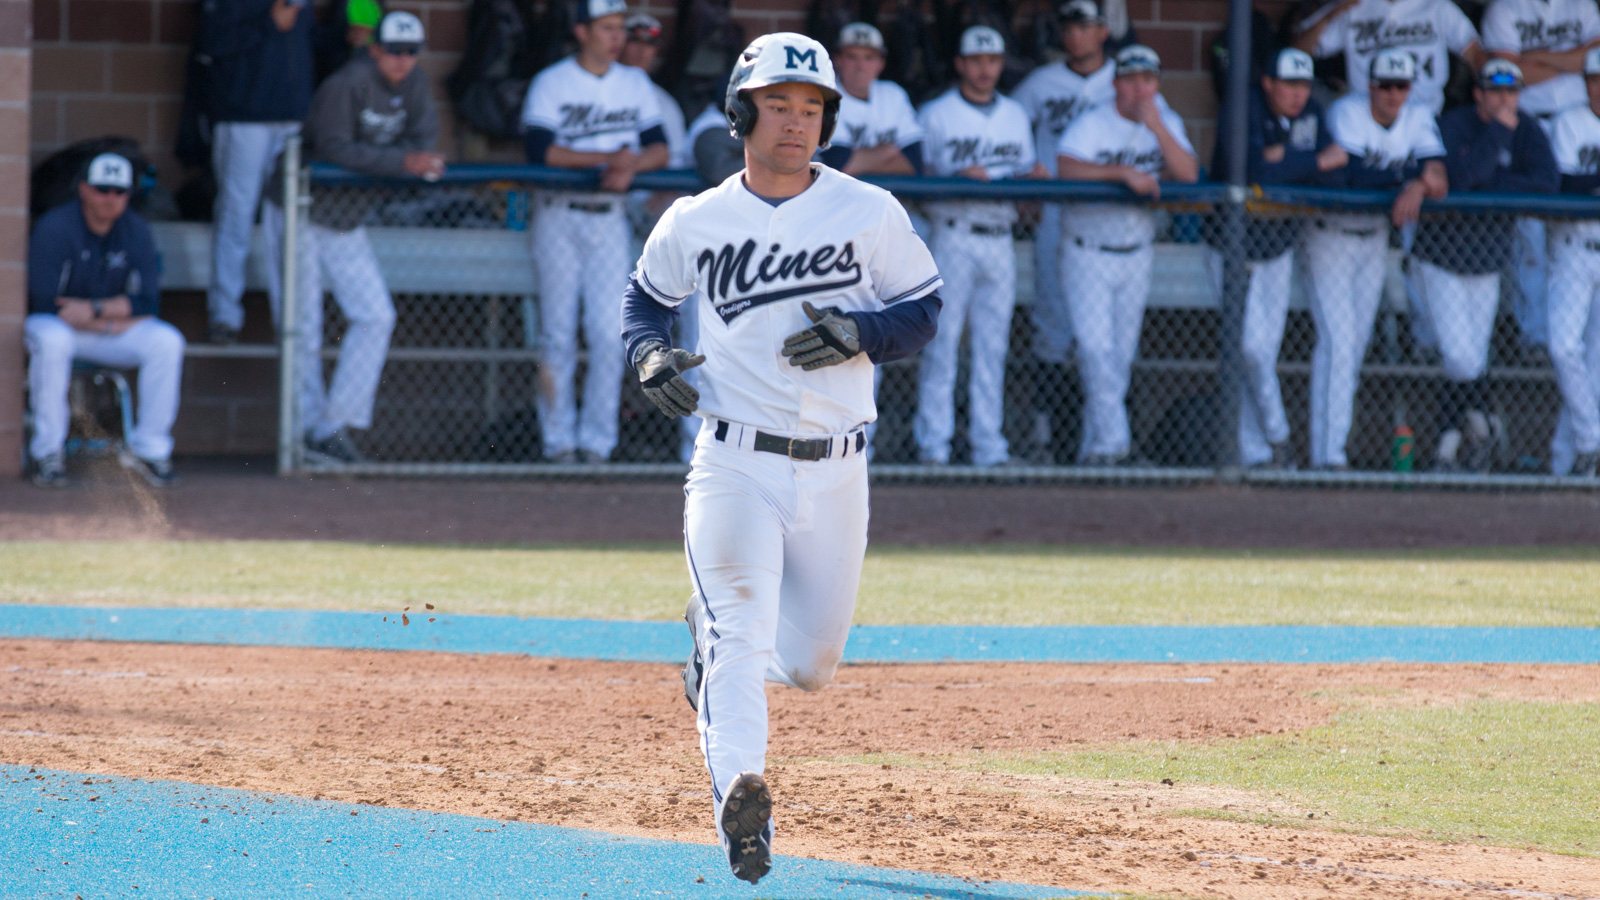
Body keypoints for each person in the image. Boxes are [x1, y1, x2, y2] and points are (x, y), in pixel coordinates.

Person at [620, 33, 942, 885]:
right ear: (741, 114)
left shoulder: (867, 212)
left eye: (811, 108)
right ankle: (743, 798)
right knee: (739, 634)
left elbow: (921, 309)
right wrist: (650, 357)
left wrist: (862, 332)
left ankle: (709, 646)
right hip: (734, 464)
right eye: (778, 105)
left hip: (839, 468)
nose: (796, 121)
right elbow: (645, 304)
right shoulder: (698, 218)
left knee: (811, 664)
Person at [278, 11, 443, 463]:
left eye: (411, 52)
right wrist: (398, 161)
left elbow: (424, 142)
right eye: (393, 50)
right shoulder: (347, 83)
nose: (402, 60)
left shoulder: (415, 85)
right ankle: (301, 433)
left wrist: (399, 159)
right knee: (303, 326)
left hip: (346, 215)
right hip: (298, 209)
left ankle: (331, 427)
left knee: (375, 316)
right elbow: (334, 148)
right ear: (375, 49)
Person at [521, 0, 669, 463]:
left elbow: (659, 149)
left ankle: (597, 444)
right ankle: (558, 442)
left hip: (609, 218)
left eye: (619, 28)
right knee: (557, 336)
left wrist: (630, 167)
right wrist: (609, 161)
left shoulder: (635, 83)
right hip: (558, 216)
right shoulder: (553, 81)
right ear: (582, 31)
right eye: (606, 27)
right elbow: (541, 151)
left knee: (609, 335)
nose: (616, 36)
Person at [1304, 49, 1448, 470]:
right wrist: (1408, 179)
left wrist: (1419, 187)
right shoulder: (1348, 112)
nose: (1392, 94)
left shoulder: (1417, 116)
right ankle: (1327, 456)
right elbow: (1348, 176)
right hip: (1330, 237)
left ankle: (1331, 450)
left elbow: (1438, 176)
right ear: (1370, 85)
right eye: (1384, 85)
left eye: (1400, 86)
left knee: (1354, 345)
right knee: (1338, 344)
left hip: (1373, 242)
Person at [1056, 44, 1199, 466]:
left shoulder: (1164, 120)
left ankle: (1095, 450)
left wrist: (1156, 126)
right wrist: (1120, 173)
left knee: (1119, 357)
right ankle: (1116, 445)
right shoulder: (1094, 122)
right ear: (1116, 83)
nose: (1140, 89)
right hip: (1088, 252)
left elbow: (1189, 173)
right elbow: (1066, 166)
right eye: (1132, 80)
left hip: (1137, 252)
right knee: (1095, 350)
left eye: (1148, 81)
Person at [1412, 59, 1556, 472]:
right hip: (1440, 257)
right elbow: (1460, 177)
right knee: (1460, 356)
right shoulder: (1454, 124)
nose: (1504, 99)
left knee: (1470, 357)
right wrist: (1497, 133)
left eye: (1511, 92)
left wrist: (1493, 184)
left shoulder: (1527, 129)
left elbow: (1547, 182)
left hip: (1488, 260)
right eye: (1495, 91)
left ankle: (1450, 444)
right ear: (1478, 93)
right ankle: (1483, 424)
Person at [914, 25, 1047, 467]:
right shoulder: (936, 114)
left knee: (993, 348)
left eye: (992, 61)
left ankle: (988, 446)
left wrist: (1036, 186)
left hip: (1001, 238)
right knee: (943, 343)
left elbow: (1028, 195)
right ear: (960, 65)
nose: (985, 68)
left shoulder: (1014, 115)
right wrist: (955, 181)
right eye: (976, 60)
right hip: (953, 232)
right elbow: (916, 187)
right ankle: (934, 445)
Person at [1210, 47, 1347, 470]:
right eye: (1288, 85)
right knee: (1250, 349)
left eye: (1303, 85)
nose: (1297, 94)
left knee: (1261, 355)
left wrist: (1286, 161)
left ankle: (1258, 455)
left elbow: (1339, 171)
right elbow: (1252, 171)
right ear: (1268, 83)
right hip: (1231, 249)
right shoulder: (1244, 108)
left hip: (1278, 248)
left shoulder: (1312, 114)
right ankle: (1278, 435)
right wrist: (1310, 163)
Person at [25, 153, 186, 488]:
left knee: (166, 341)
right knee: (53, 341)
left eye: (118, 191)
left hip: (103, 328)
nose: (110, 198)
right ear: (84, 189)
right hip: (55, 326)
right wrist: (111, 313)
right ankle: (47, 452)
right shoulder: (55, 226)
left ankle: (151, 450)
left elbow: (148, 303)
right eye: (102, 189)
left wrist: (97, 312)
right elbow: (44, 301)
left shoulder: (136, 230)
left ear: (128, 195)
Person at [1012, 0, 1118, 460]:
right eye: (1070, 27)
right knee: (1054, 324)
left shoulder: (1123, 80)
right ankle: (1050, 438)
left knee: (1109, 336)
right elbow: (1009, 129)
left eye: (1085, 26)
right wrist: (1028, 180)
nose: (1076, 34)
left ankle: (1104, 439)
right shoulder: (1040, 83)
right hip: (1055, 213)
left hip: (1109, 218)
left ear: (1102, 31)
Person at [1481, 0, 1600, 358]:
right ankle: (1535, 335)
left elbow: (1593, 58)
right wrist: (1569, 60)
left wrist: (1535, 60)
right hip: (1526, 123)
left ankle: (1574, 335)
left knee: (1573, 233)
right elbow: (1506, 69)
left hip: (1579, 122)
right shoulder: (1505, 9)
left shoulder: (1581, 6)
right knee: (1530, 236)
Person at [204, 0, 315, 345]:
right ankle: (225, 315)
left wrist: (350, 37)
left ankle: (290, 321)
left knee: (288, 221)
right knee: (236, 214)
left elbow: (310, 41)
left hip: (292, 118)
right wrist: (268, 23)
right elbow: (209, 43)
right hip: (244, 117)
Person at [1544, 46, 1600, 476]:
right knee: (1564, 347)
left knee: (1595, 366)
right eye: (1595, 80)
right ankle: (1592, 439)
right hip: (1573, 250)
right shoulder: (1569, 123)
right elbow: (1562, 183)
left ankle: (1567, 465)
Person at [1293, 0, 1487, 115]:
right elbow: (1297, 53)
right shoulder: (1353, 6)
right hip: (1364, 118)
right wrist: (1329, 16)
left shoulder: (1438, 6)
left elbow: (1475, 55)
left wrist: (1488, 97)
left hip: (1426, 115)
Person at [819, 22, 924, 176]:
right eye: (851, 57)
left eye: (869, 57)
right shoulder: (826, 97)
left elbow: (915, 162)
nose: (860, 66)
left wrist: (860, 162)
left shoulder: (893, 94)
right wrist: (889, 150)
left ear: (881, 63)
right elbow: (838, 165)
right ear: (837, 60)